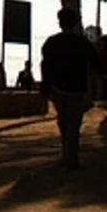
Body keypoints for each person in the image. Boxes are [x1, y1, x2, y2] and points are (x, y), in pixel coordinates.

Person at [40, 9, 100, 170]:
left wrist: (45, 87)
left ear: (60, 22)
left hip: (58, 88)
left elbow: (45, 66)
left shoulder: (51, 43)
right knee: (74, 123)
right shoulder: (83, 43)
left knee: (63, 121)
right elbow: (95, 64)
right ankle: (71, 157)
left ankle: (67, 155)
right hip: (78, 88)